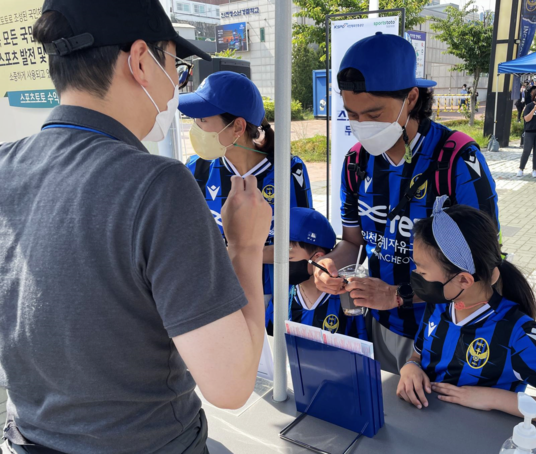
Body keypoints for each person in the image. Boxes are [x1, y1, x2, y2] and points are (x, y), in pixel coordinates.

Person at [0, 1, 273, 453]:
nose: (175, 88)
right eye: (177, 67)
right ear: (142, 61)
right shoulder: (159, 186)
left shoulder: (6, 164)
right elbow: (231, 385)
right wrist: (244, 248)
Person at [313, 33, 500, 375]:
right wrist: (326, 265)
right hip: (379, 326)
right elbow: (353, 243)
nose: (362, 127)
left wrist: (398, 295)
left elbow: (480, 269)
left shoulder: (457, 160)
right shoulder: (356, 162)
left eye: (373, 113)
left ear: (411, 98)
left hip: (446, 333)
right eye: (351, 114)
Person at [396, 198, 536, 433]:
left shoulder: (518, 334)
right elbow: (418, 354)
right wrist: (409, 367)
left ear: (463, 280)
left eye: (421, 270)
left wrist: (492, 398)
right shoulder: (440, 304)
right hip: (424, 431)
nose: (415, 275)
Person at [181, 72, 313, 304]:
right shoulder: (196, 169)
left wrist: (236, 252)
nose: (195, 129)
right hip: (214, 297)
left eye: (202, 120)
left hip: (274, 300)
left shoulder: (289, 170)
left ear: (237, 127)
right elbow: (188, 243)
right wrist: (257, 253)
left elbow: (302, 247)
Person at [265, 207, 367, 339]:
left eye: (288, 251)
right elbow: (270, 340)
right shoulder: (282, 298)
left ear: (317, 257)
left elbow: (361, 348)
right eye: (278, 250)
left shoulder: (346, 301)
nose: (279, 259)